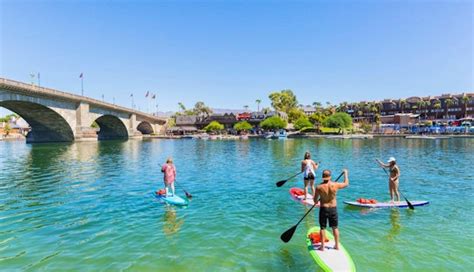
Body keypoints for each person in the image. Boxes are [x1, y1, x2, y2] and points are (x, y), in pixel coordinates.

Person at [313, 169, 349, 251]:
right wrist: (346, 173)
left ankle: (322, 247)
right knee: (335, 227)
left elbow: (315, 200)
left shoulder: (319, 187)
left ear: (322, 177)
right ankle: (336, 245)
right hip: (333, 208)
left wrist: (317, 202)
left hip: (323, 208)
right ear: (330, 176)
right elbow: (346, 184)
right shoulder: (335, 185)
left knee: (322, 228)